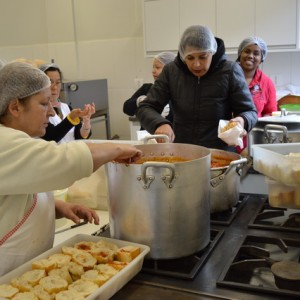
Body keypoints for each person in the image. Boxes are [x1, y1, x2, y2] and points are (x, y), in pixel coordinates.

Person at [0, 61, 142, 275]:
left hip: (24, 271)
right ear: (15, 107)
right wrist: (118, 148)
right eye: (44, 104)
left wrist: (56, 208)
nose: (50, 112)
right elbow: (64, 160)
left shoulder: (20, 141)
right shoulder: (4, 142)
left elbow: (17, 196)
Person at [136, 25, 258, 151]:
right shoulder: (171, 72)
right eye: (190, 57)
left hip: (219, 152)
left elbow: (250, 111)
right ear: (183, 55)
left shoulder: (229, 71)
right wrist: (159, 123)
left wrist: (242, 120)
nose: (197, 64)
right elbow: (145, 107)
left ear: (212, 52)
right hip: (182, 151)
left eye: (203, 57)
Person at [39, 63, 95, 143]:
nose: (54, 87)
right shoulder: (38, 110)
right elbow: (51, 137)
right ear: (40, 85)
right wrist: (71, 118)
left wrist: (86, 121)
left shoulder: (66, 107)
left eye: (58, 83)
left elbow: (78, 136)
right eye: (50, 83)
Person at [123, 52, 176, 129]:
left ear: (170, 70)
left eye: (157, 67)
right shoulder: (146, 88)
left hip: (170, 138)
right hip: (147, 137)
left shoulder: (178, 93)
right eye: (153, 67)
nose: (153, 71)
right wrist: (139, 100)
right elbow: (126, 108)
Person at [237, 37, 277, 117]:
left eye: (256, 53)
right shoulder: (227, 77)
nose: (250, 56)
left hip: (257, 128)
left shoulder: (267, 83)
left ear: (261, 58)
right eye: (247, 51)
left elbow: (270, 113)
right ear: (240, 53)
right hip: (229, 127)